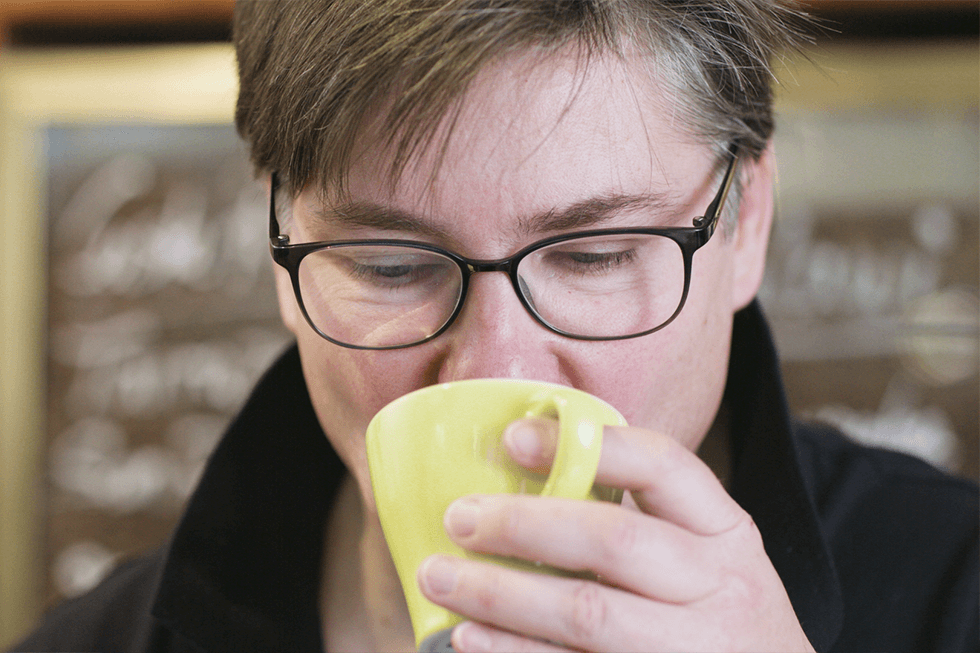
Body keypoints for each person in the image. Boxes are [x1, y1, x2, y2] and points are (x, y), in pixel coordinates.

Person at [11, 1, 978, 652]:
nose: (494, 366)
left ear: (748, 222)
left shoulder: (953, 589)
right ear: (280, 243)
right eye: (390, 266)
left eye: (595, 255)